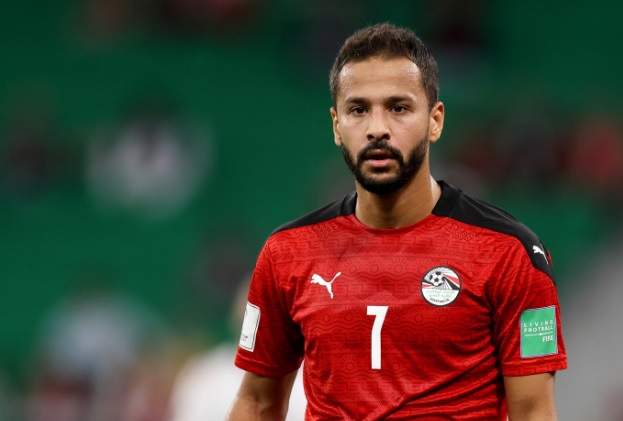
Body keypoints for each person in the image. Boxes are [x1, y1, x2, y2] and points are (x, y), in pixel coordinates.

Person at [226, 23, 567, 420]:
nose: (377, 129)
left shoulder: (511, 254)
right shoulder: (287, 253)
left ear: (435, 121)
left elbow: (534, 412)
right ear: (336, 125)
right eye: (358, 110)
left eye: (398, 108)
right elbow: (257, 402)